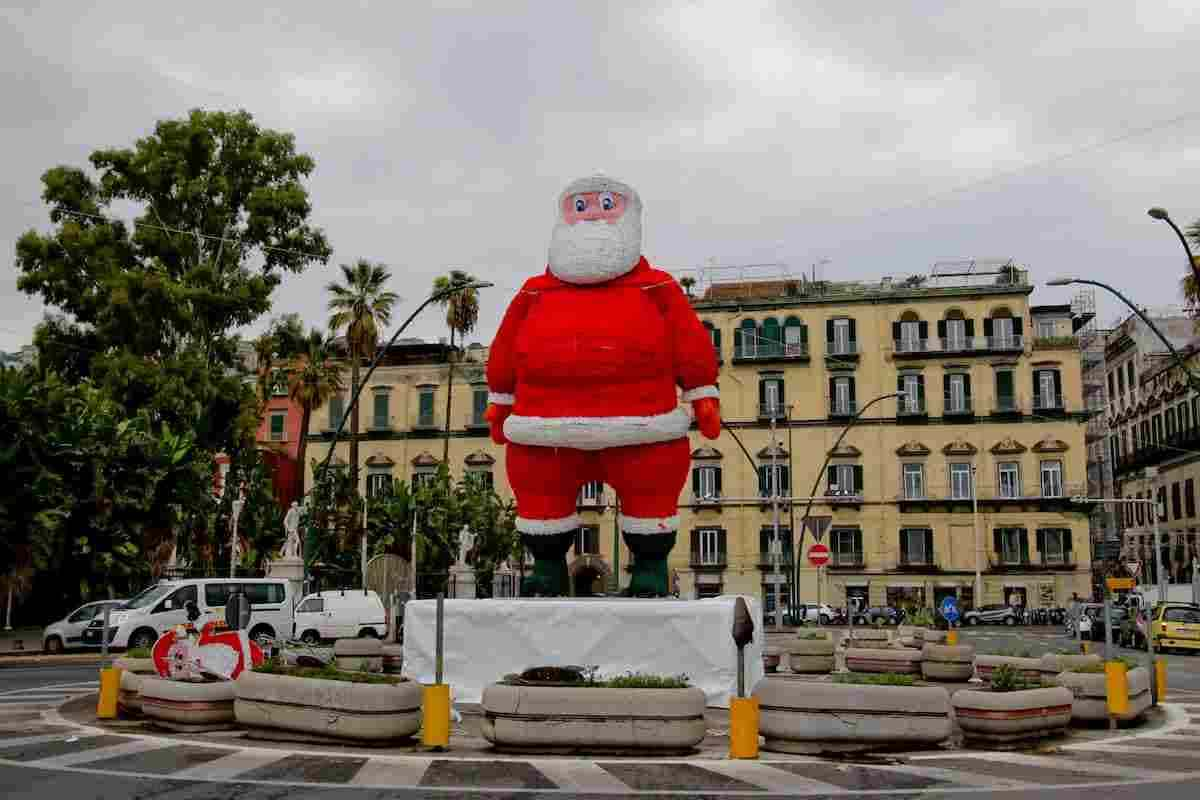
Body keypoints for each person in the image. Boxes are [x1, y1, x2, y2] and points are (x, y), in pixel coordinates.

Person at [485, 175, 721, 596]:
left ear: (629, 217)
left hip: (641, 426)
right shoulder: (533, 291)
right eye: (581, 206)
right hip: (545, 430)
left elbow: (689, 340)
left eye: (606, 205)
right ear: (563, 218)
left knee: (650, 495)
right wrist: (500, 398)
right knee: (541, 497)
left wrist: (702, 391)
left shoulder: (658, 286)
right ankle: (547, 570)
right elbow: (504, 346)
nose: (592, 214)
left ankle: (649, 572)